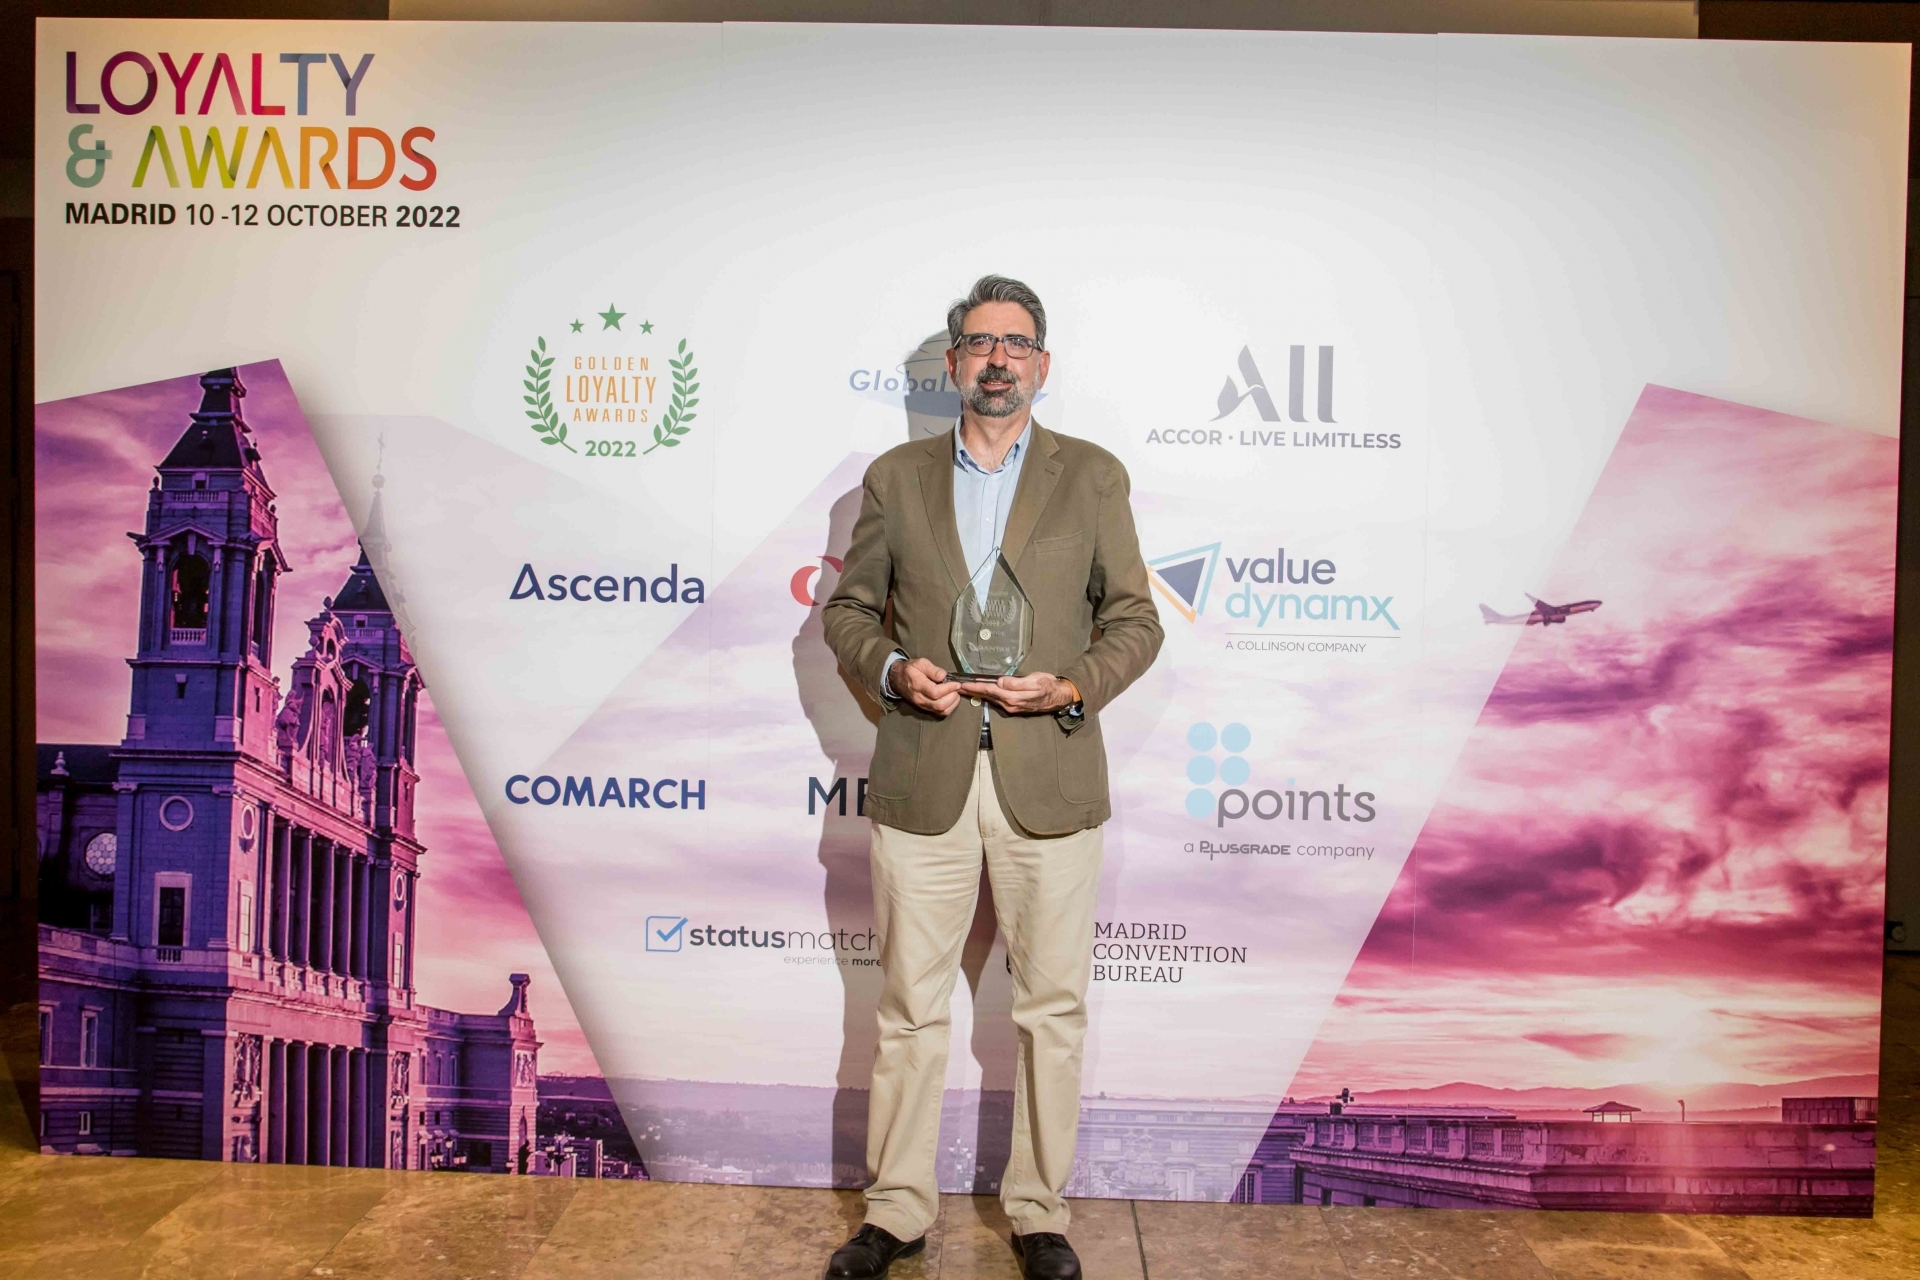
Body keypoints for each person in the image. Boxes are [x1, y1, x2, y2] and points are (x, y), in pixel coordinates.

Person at [822, 275, 1163, 1280]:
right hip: (923, 770)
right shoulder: (896, 477)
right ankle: (895, 1211)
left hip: (1047, 772)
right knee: (909, 1007)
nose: (998, 360)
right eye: (980, 343)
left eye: (1016, 343)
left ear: (1041, 365)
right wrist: (892, 669)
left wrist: (1073, 684)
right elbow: (849, 612)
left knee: (1050, 1009)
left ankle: (1040, 1212)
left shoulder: (1091, 475)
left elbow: (1135, 619)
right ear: (954, 363)